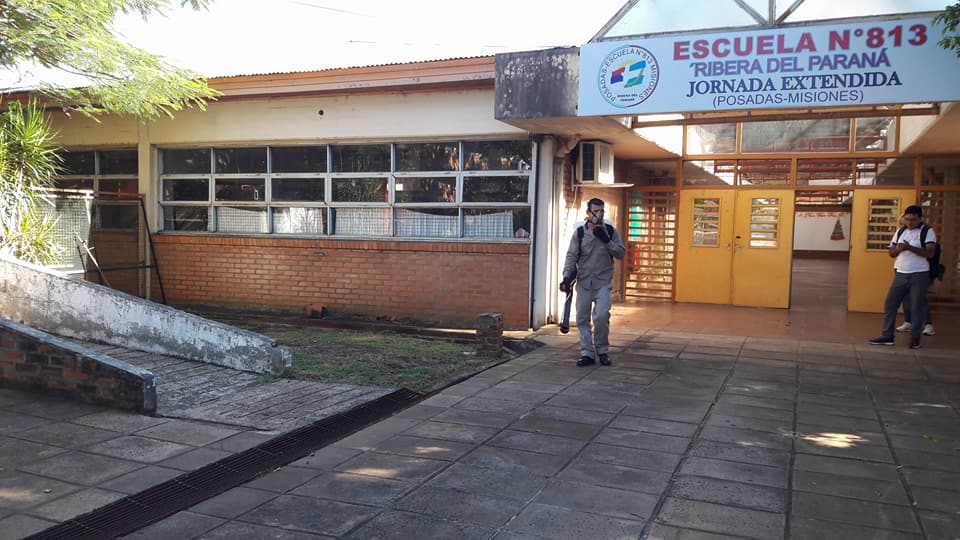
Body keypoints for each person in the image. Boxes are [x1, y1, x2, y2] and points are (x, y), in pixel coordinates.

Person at [560, 198, 626, 366]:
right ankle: (587, 353)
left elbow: (620, 253)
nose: (599, 214)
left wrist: (606, 240)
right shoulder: (580, 233)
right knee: (582, 319)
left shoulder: (610, 231)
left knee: (602, 316)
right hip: (584, 281)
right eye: (596, 211)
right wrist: (567, 277)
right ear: (588, 213)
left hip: (603, 281)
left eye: (601, 211)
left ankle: (602, 350)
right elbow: (571, 256)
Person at [869, 205, 937, 349]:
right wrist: (897, 250)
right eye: (907, 219)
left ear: (920, 219)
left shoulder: (927, 232)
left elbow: (930, 253)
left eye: (913, 220)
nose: (909, 223)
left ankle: (915, 338)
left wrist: (909, 247)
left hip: (919, 274)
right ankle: (887, 336)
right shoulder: (901, 231)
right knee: (890, 304)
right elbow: (891, 252)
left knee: (916, 307)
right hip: (900, 272)